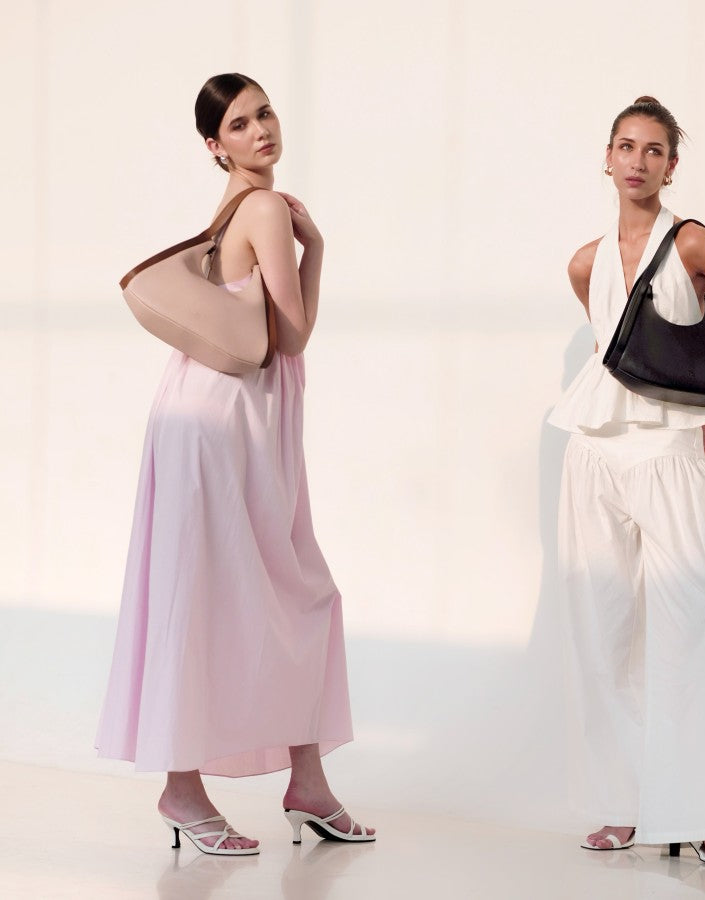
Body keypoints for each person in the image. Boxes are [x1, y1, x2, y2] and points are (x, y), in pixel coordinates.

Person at [95, 73, 374, 855]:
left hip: (213, 414)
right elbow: (292, 335)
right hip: (227, 423)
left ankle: (305, 784)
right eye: (242, 124)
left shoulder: (233, 211)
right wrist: (318, 248)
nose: (262, 130)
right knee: (240, 593)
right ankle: (184, 791)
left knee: (271, 590)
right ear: (215, 147)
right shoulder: (264, 210)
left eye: (265, 113)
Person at [549, 96, 705, 867]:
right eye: (626, 146)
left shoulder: (691, 241)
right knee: (603, 631)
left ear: (671, 166)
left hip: (669, 456)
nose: (638, 161)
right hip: (592, 452)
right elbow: (615, 353)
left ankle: (704, 815)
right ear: (607, 157)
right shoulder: (584, 261)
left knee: (696, 624)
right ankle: (623, 804)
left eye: (653, 150)